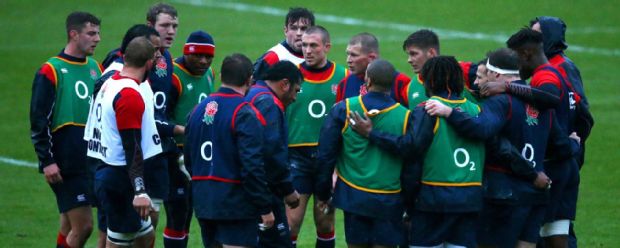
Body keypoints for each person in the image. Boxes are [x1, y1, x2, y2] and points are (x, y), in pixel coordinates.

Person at [425, 48, 579, 248]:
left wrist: (450, 113)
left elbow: (481, 129)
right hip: (535, 196)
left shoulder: (500, 102)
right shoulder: (539, 102)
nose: (479, 82)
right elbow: (562, 148)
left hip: (504, 194)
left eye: (486, 74)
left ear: (496, 75)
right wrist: (574, 142)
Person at [350, 56, 485, 247]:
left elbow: (410, 149)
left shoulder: (427, 110)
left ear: (430, 81)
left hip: (433, 199)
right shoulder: (477, 110)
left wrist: (372, 133)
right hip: (470, 199)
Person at [316, 59, 410, 247]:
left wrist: (323, 193)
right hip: (389, 198)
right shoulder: (406, 116)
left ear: (367, 80)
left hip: (353, 196)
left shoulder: (344, 109)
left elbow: (325, 155)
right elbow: (411, 159)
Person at [185, 53, 273, 248]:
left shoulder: (197, 110)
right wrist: (264, 207)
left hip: (203, 199)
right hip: (234, 202)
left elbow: (189, 157)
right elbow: (252, 165)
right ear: (249, 79)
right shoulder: (245, 112)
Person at [30, 11, 101, 248]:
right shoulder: (51, 70)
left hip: (90, 159)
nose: (97, 38)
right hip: (65, 163)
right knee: (84, 227)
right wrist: (46, 160)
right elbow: (39, 120)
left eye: (98, 33)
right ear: (74, 34)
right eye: (91, 33)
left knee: (68, 226)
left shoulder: (95, 68)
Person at [84, 36, 162, 248]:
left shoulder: (109, 81)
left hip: (105, 170)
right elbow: (132, 146)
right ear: (148, 63)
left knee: (145, 237)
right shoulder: (129, 95)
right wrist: (139, 190)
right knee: (119, 242)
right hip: (119, 178)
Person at [531, 17, 594, 247]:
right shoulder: (549, 66)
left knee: (556, 227)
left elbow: (584, 115)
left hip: (561, 158)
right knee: (553, 225)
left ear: (549, 38)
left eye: (537, 35)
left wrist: (573, 148)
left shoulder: (562, 68)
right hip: (557, 156)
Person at [286, 25, 348, 248]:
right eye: (304, 45)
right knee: (292, 223)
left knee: (325, 222)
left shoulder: (343, 77)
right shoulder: (290, 75)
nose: (307, 50)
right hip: (296, 158)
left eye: (313, 45)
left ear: (327, 47)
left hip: (328, 160)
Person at [165, 30, 217, 248]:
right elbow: (159, 118)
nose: (203, 61)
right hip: (175, 156)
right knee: (179, 214)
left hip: (201, 156)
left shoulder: (209, 74)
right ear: (187, 52)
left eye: (208, 57)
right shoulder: (172, 76)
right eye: (198, 56)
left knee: (198, 212)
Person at [246, 61, 303, 247]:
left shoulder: (251, 93)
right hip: (264, 190)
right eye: (296, 90)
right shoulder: (269, 103)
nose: (295, 98)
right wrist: (287, 189)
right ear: (284, 84)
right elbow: (271, 152)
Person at [400, 29, 479, 109]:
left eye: (414, 54)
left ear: (431, 53)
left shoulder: (463, 70)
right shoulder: (410, 88)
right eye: (409, 55)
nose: (409, 60)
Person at [335, 32, 410, 106]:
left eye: (354, 55)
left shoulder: (401, 82)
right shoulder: (344, 83)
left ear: (372, 58)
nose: (348, 60)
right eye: (348, 54)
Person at [253, 7, 315, 81]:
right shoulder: (274, 57)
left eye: (304, 29)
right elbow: (253, 88)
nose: (299, 33)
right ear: (286, 31)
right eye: (294, 28)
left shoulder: (317, 57)